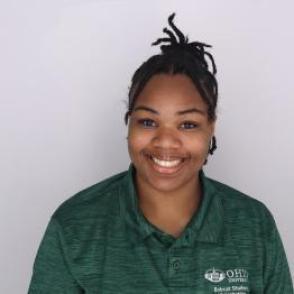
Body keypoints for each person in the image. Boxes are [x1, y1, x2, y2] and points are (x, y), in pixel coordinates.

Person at [28, 13, 293, 293]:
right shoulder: (73, 226)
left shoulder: (253, 224)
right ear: (129, 122)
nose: (166, 141)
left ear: (210, 128)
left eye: (188, 124)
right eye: (148, 122)